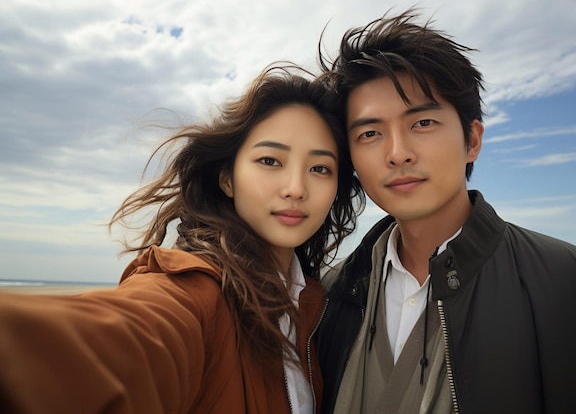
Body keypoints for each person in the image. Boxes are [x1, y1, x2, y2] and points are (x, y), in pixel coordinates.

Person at [0, 65, 364, 414]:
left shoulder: (314, 302)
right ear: (227, 179)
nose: (296, 189)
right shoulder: (195, 292)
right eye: (270, 161)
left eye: (319, 168)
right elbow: (117, 340)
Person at [315, 10, 576, 413]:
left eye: (423, 122)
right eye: (370, 133)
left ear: (472, 140)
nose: (397, 154)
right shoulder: (331, 293)